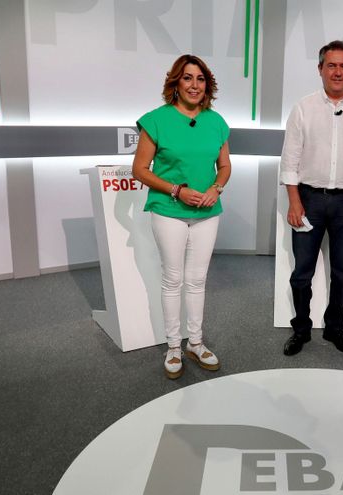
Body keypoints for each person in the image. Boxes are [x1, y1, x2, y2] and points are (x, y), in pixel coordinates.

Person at [132, 54, 232, 379]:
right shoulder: (156, 120)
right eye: (187, 78)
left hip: (207, 212)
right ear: (176, 82)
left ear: (207, 85)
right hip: (169, 210)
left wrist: (216, 188)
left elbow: (225, 166)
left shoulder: (216, 122)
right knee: (173, 279)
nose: (194, 85)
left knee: (198, 280)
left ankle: (196, 342)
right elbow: (139, 170)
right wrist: (176, 190)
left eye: (200, 79)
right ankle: (174, 346)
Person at [279, 40, 343, 356]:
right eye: (332, 65)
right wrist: (294, 202)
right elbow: (290, 159)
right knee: (302, 273)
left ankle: (336, 329)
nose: (338, 72)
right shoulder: (303, 108)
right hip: (309, 199)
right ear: (320, 69)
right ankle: (301, 330)